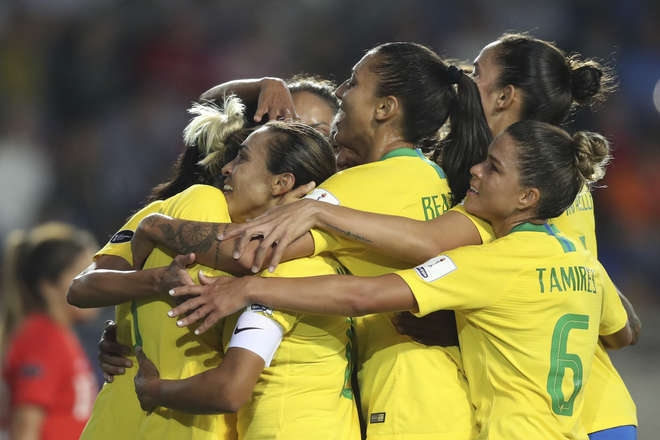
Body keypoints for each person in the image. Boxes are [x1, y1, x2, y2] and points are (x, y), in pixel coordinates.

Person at [167, 121, 634, 440]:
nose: (474, 169)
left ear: (526, 197)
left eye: (493, 168)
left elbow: (362, 295)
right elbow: (623, 332)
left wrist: (249, 287)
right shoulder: (585, 262)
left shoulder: (490, 262)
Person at [129, 41, 493, 440]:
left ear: (384, 108)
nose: (341, 93)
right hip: (428, 397)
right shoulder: (428, 176)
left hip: (402, 400)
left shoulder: (366, 184)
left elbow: (246, 250)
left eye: (353, 83)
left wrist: (158, 226)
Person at [1, 223, 99, 440]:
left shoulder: (60, 335)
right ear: (48, 287)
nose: (97, 283)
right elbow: (25, 427)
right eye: (84, 274)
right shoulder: (43, 337)